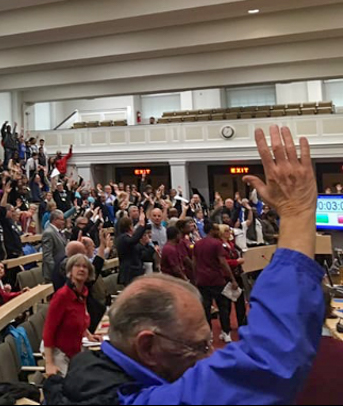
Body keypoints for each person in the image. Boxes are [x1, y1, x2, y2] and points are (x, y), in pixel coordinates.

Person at [44, 125, 326, 405]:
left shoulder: (94, 378)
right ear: (147, 346)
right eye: (201, 346)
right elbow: (269, 363)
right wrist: (296, 213)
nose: (210, 355)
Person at [44, 254, 99, 376]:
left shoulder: (82, 292)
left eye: (85, 267)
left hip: (75, 350)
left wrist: (89, 335)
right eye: (77, 266)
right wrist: (49, 363)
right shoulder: (62, 296)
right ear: (70, 270)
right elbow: (48, 330)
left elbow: (79, 318)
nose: (81, 269)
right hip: (58, 352)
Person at [194, 222, 238, 344]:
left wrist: (195, 277)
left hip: (202, 280)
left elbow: (194, 262)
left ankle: (210, 334)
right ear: (212, 230)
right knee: (223, 307)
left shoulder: (197, 244)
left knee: (206, 308)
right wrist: (232, 278)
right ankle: (226, 333)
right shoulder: (217, 244)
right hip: (217, 279)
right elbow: (223, 262)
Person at [115, 212, 148, 287]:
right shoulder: (123, 238)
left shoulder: (128, 237)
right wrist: (142, 224)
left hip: (135, 270)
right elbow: (134, 240)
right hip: (129, 272)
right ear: (130, 226)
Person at [41, 209, 68, 282]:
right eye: (62, 220)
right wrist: (56, 271)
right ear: (55, 220)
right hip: (54, 273)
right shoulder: (48, 233)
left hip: (60, 270)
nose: (63, 222)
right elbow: (47, 256)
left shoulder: (58, 232)